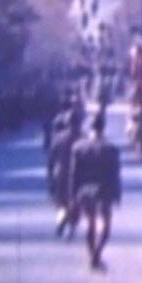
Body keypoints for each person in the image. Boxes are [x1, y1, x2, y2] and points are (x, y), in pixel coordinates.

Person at [70, 112, 121, 271]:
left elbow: (74, 174)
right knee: (105, 228)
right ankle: (96, 255)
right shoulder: (111, 149)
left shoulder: (79, 147)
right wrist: (117, 194)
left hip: (85, 191)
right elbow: (114, 173)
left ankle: (92, 255)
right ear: (103, 127)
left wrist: (73, 196)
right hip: (103, 191)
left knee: (90, 224)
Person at [48, 111, 82, 239]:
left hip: (60, 173)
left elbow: (51, 159)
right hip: (78, 176)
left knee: (62, 202)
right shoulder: (83, 138)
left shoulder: (58, 138)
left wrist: (50, 177)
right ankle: (70, 227)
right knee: (76, 204)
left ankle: (61, 220)